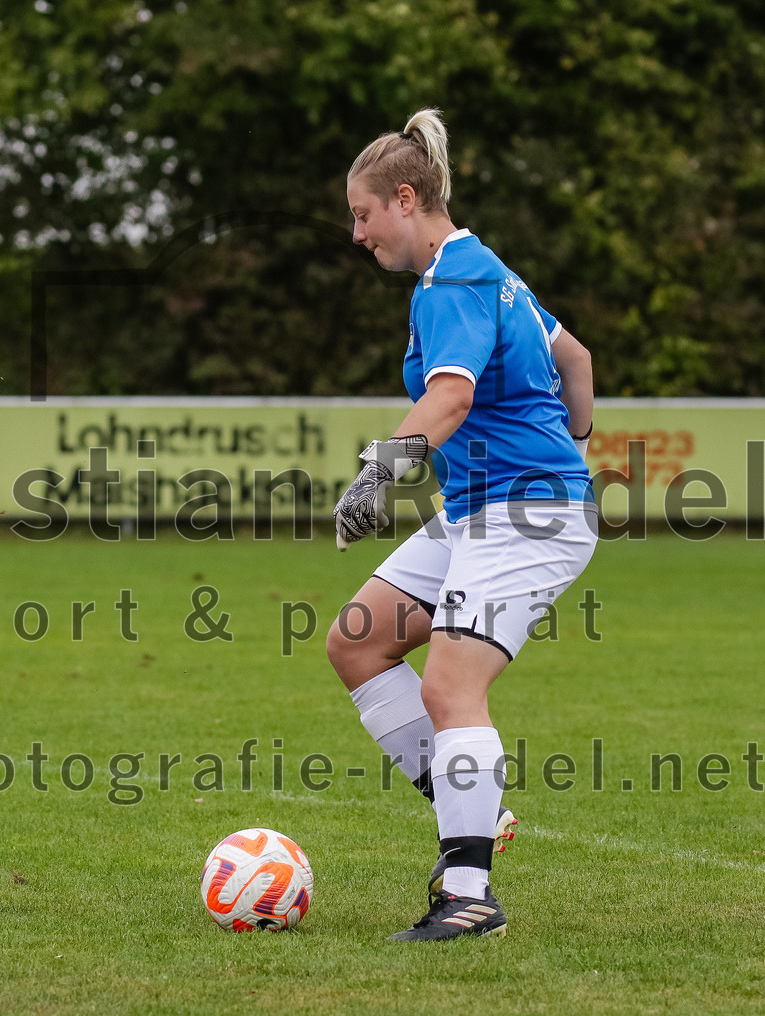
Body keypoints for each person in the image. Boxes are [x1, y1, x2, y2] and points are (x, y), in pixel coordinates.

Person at [327, 108, 598, 941]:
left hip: (528, 513)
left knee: (450, 688)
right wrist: (573, 447)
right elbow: (576, 359)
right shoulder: (490, 271)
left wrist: (382, 466)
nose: (358, 235)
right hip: (488, 507)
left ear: (404, 199)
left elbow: (452, 394)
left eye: (363, 216)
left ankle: (470, 893)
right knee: (358, 641)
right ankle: (467, 803)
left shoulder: (453, 282)